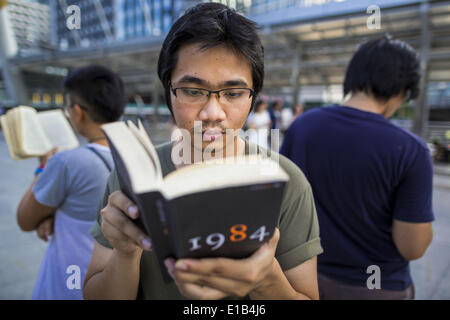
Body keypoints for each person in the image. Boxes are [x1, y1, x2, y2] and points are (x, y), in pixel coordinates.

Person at [83, 2, 323, 300]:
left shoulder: (287, 181)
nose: (212, 112)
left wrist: (266, 279)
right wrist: (125, 251)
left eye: (233, 93)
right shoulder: (133, 174)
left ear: (253, 97)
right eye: (193, 91)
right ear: (169, 90)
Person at [280, 37, 434, 300]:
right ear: (402, 90)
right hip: (376, 287)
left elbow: (280, 201)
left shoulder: (302, 126)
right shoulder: (411, 151)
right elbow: (412, 247)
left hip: (302, 277)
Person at [16, 65, 126, 299]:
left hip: (66, 287)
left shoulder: (67, 162)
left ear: (78, 111)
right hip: (114, 282)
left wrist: (43, 165)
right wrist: (55, 215)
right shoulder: (136, 156)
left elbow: (24, 219)